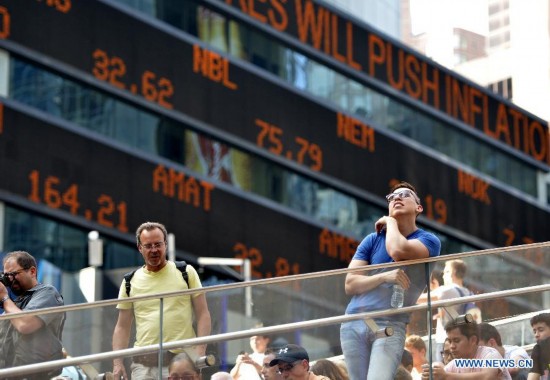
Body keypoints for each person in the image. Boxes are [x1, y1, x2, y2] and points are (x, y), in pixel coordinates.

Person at [340, 182, 441, 380]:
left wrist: (391, 222)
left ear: (418, 208)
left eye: (404, 195)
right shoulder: (372, 239)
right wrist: (383, 277)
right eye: (392, 197)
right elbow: (350, 284)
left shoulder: (429, 240)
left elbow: (398, 250)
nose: (396, 198)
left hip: (390, 323)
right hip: (353, 321)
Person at [112, 222, 212, 380]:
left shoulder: (186, 272)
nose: (154, 250)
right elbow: (122, 327)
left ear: (165, 244)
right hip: (142, 365)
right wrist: (117, 363)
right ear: (140, 248)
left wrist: (200, 352)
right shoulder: (129, 281)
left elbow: (203, 314)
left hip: (181, 363)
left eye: (158, 244)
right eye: (148, 245)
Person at [0, 250, 65, 380]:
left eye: (13, 274)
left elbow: (25, 324)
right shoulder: (13, 305)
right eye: (6, 277)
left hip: (34, 374)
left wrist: (4, 298)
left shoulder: (47, 293)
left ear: (32, 271)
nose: (10, 281)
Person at [421, 320, 511, 379]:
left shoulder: (490, 354)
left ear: (473, 340)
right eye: (450, 341)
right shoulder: (455, 364)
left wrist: (446, 376)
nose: (452, 346)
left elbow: (487, 377)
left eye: (456, 341)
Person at [527, 313, 550, 380]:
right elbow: (533, 376)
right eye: (534, 331)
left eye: (541, 330)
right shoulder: (538, 349)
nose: (536, 335)